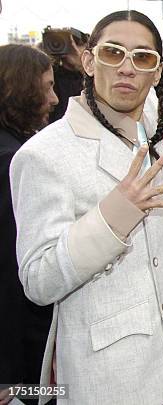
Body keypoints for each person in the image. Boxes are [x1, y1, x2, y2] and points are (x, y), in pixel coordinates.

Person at [10, 10, 163, 404]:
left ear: (157, 73)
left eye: (143, 58)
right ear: (90, 61)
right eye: (114, 53)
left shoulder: (150, 134)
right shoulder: (44, 155)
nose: (128, 68)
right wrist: (114, 216)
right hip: (108, 383)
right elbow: (38, 280)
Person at [0, 43, 58, 405]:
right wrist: (8, 379)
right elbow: (10, 272)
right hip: (19, 365)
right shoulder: (10, 159)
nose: (54, 98)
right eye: (47, 87)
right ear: (22, 90)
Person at [42, 28, 88, 124]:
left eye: (77, 44)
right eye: (67, 43)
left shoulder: (93, 74)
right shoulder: (48, 75)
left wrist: (82, 67)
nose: (72, 48)